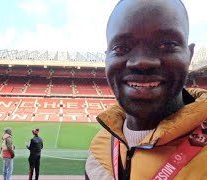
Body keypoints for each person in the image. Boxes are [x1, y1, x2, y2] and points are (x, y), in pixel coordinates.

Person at [85, 0, 207, 179]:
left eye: (167, 45)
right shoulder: (99, 150)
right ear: (106, 59)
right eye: (121, 48)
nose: (142, 62)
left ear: (189, 55)